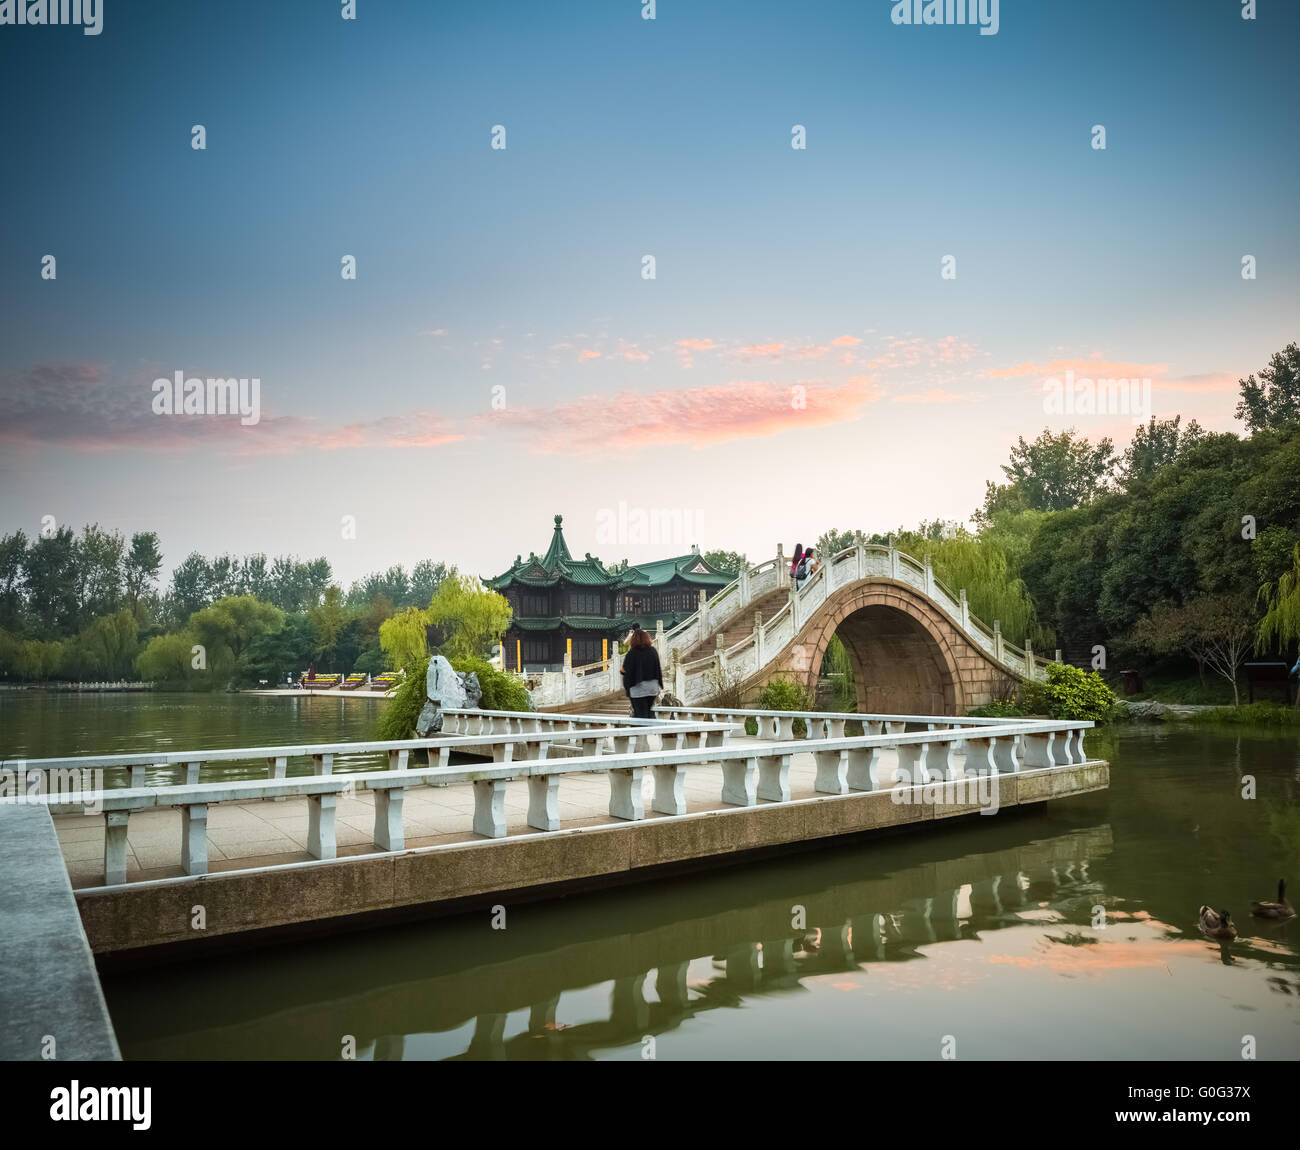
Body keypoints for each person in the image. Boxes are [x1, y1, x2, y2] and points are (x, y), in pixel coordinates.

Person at [621, 627, 663, 718]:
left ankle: (641, 731)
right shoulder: (653, 651)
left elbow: (623, 670)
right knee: (649, 712)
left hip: (638, 688)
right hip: (653, 687)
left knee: (639, 714)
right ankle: (652, 730)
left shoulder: (632, 653)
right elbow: (658, 668)